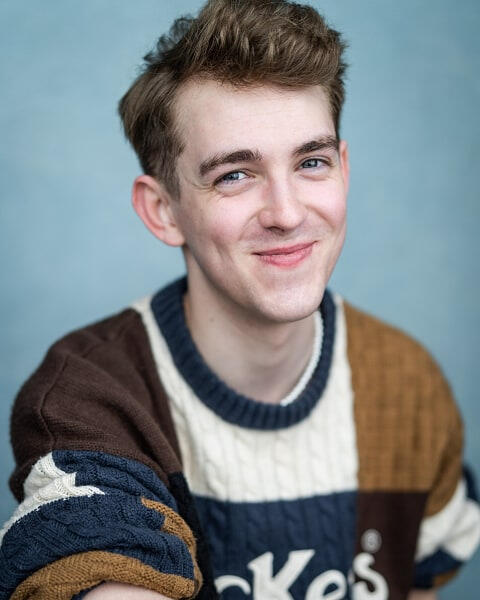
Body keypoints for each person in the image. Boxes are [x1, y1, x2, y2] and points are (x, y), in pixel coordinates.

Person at [1, 1, 479, 599]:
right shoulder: (91, 395)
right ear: (163, 209)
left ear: (344, 170)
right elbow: (95, 559)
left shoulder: (407, 383)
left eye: (311, 162)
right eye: (234, 174)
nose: (287, 213)